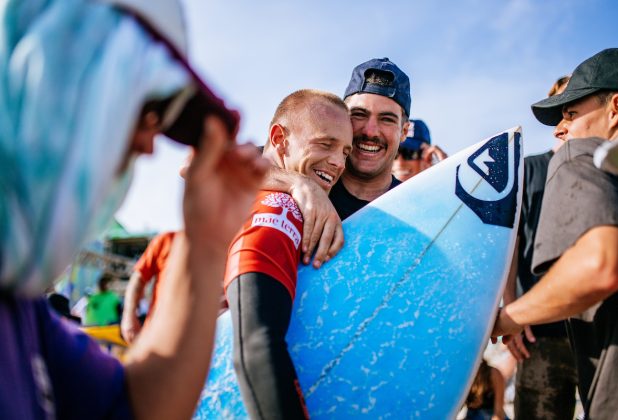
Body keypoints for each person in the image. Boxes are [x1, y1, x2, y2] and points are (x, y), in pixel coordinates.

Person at [0, 0, 268, 418]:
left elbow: (133, 407)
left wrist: (208, 242)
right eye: (146, 109)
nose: (149, 145)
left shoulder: (20, 307)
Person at [492, 47, 618, 418]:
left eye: (570, 113)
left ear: (615, 108)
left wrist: (507, 317)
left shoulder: (577, 157)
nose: (559, 128)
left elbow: (602, 265)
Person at [225, 89, 353, 419]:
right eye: (325, 144)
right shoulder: (279, 207)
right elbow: (255, 346)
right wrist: (299, 184)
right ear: (280, 139)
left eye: (345, 151)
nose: (339, 162)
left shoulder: (251, 195)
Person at [263, 58, 412, 266]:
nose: (370, 131)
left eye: (387, 119)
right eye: (359, 115)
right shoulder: (309, 172)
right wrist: (299, 184)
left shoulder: (413, 206)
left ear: (404, 131)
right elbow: (227, 164)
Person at [502, 75, 578, 419]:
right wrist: (512, 311)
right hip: (539, 332)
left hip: (602, 332)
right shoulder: (529, 169)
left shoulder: (611, 167)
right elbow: (510, 247)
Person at [121, 231, 175, 343]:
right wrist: (129, 315)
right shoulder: (166, 240)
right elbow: (138, 278)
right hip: (157, 333)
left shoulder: (216, 249)